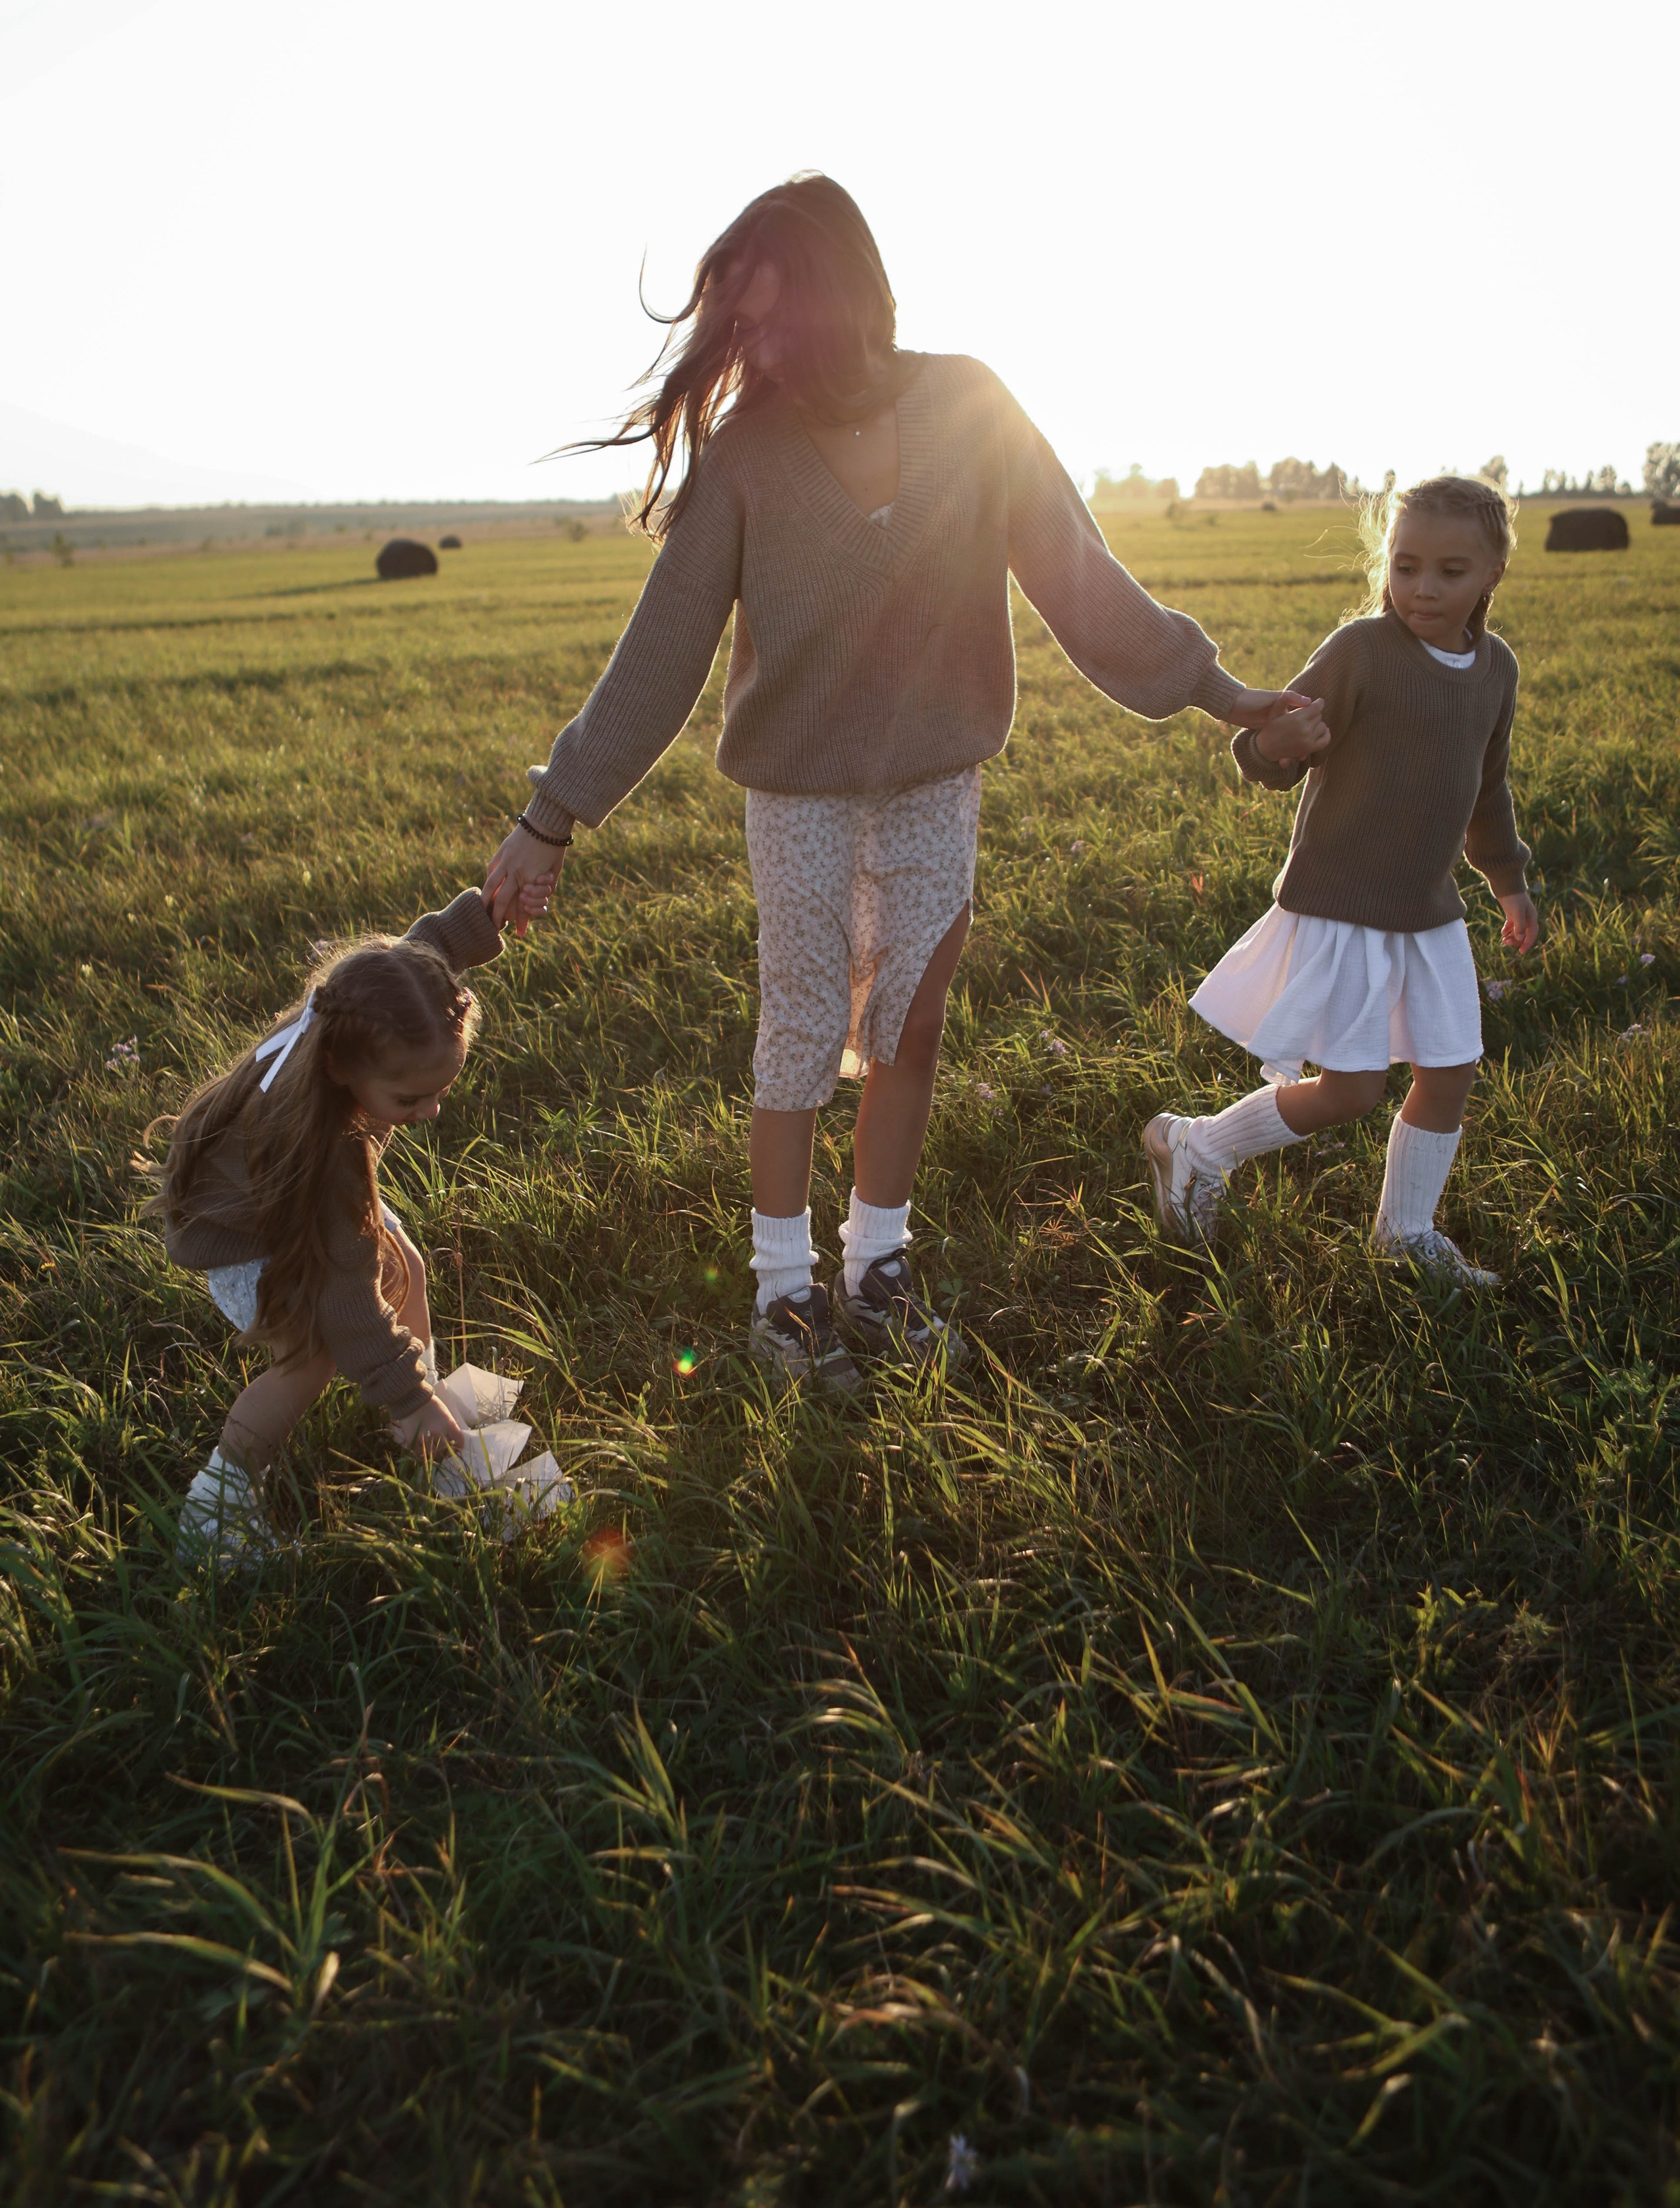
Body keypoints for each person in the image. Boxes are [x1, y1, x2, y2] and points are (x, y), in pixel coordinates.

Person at [486, 173, 1308, 1386]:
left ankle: (876, 1272)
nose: (747, 347)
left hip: (938, 780)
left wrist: (1221, 691)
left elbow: (1083, 581)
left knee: (910, 1023)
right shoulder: (748, 455)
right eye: (733, 326)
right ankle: (780, 1296)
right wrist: (550, 816)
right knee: (806, 1027)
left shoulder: (971, 404)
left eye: (769, 319)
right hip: (799, 791)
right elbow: (659, 656)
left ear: (846, 299)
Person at [1144, 474, 1540, 1286]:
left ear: (1494, 571)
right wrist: (1276, 746)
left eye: (1449, 571)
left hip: (1429, 912)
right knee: (1351, 1091)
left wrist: (1507, 879)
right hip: (1344, 905)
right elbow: (1267, 750)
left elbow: (1486, 784)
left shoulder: (1494, 668)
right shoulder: (1360, 650)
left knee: (1452, 1070)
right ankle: (1197, 1146)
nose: (1421, 588)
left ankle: (1404, 1234)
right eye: (1405, 565)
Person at [152, 892, 503, 1566]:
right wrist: (401, 1396)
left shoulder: (354, 1011)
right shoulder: (327, 1149)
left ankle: (428, 1423)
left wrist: (488, 915)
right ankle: (216, 1508)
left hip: (282, 1202)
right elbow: (349, 1297)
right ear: (344, 1070)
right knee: (310, 1357)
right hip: (251, 1238)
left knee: (410, 1268)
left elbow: (415, 956)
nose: (429, 1111)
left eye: (442, 1091)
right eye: (409, 1099)